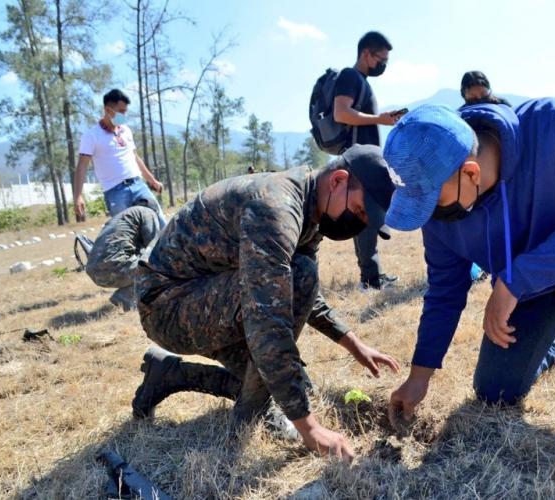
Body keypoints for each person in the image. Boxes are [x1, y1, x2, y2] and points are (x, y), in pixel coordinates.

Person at [382, 102, 555, 474]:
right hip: (531, 290)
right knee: (495, 392)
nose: (429, 214)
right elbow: (445, 291)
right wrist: (418, 377)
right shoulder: (441, 211)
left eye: (432, 200)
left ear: (470, 172)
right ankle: (551, 346)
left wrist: (513, 281)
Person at [132, 144, 400, 462]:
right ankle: (247, 420)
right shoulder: (276, 208)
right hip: (166, 305)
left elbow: (296, 291)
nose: (355, 224)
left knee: (283, 380)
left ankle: (170, 375)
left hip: (201, 294)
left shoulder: (311, 206)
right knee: (276, 370)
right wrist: (309, 427)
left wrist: (352, 342)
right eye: (357, 210)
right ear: (338, 180)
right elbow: (268, 319)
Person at [333, 31, 401, 291]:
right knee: (366, 215)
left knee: (369, 215)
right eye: (380, 59)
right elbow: (341, 113)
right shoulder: (350, 76)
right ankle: (370, 280)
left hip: (362, 157)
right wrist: (379, 119)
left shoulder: (360, 80)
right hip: (357, 159)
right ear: (365, 54)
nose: (383, 65)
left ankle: (371, 275)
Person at [74, 89, 167, 226]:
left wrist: (152, 181)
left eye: (125, 111)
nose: (124, 115)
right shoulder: (91, 136)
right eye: (121, 111)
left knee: (160, 223)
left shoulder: (126, 130)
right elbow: (82, 166)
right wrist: (78, 196)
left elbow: (135, 158)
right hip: (115, 192)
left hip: (138, 184)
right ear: (108, 110)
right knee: (125, 233)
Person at [84, 200, 161, 311]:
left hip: (95, 273)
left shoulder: (121, 217)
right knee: (157, 263)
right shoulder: (147, 212)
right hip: (116, 268)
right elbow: (155, 246)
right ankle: (125, 297)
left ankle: (125, 296)